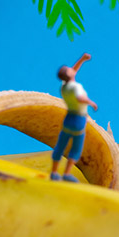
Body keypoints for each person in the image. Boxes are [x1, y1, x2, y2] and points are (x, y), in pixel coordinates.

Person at [50, 52, 98, 182]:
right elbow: (80, 98)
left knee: (61, 144)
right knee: (76, 147)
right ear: (69, 75)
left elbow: (73, 71)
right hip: (78, 119)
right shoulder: (75, 87)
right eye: (69, 69)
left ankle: (54, 172)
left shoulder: (64, 87)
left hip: (69, 118)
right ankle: (66, 174)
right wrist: (91, 103)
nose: (72, 69)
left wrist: (82, 59)